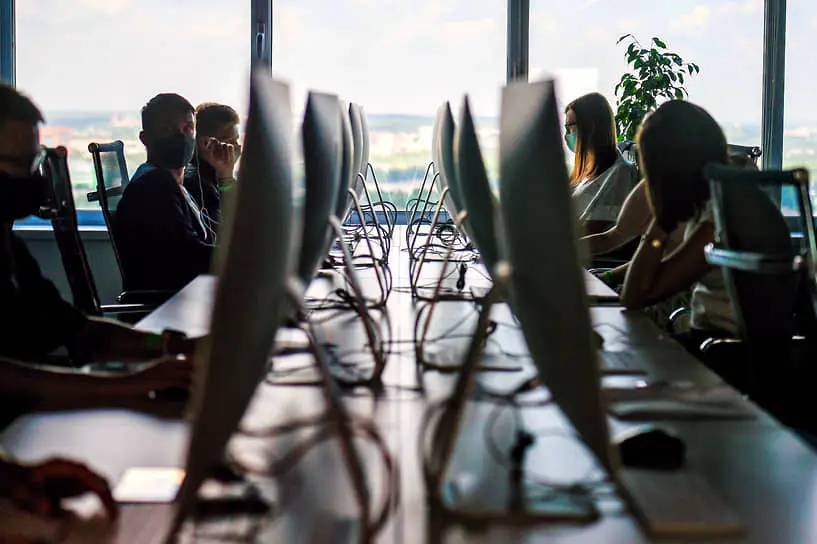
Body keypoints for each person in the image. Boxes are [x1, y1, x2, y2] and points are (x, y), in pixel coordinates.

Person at [0, 84, 194, 397]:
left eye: (33, 162)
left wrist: (172, 346)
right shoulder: (153, 186)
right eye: (18, 164)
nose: (32, 178)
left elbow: (80, 331)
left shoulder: (11, 250)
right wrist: (127, 384)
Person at [618, 100, 734, 353]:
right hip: (712, 338)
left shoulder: (725, 204)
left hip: (724, 350)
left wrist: (662, 218)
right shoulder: (723, 186)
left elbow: (635, 296)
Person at [114, 93, 215, 293]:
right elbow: (187, 256)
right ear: (145, 139)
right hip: (171, 302)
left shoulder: (172, 184)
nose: (180, 136)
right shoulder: (153, 186)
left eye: (188, 128)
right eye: (167, 129)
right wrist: (246, 258)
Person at [564, 93, 639, 234]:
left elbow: (595, 230)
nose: (567, 135)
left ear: (592, 126)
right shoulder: (585, 171)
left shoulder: (620, 172)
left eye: (570, 127)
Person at [183, 102, 241, 234]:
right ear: (205, 143)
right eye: (228, 142)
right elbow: (233, 230)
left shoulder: (212, 177)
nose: (236, 147)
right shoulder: (198, 185)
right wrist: (226, 179)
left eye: (236, 140)